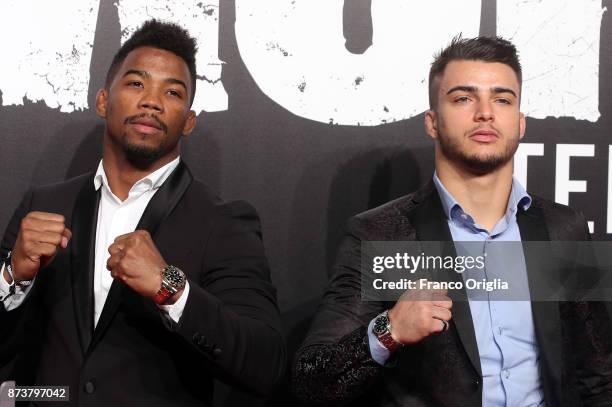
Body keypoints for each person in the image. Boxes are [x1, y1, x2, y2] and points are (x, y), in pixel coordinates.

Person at [293, 36, 611, 406]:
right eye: (463, 98)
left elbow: (599, 375)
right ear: (432, 122)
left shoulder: (563, 228)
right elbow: (311, 384)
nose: (485, 112)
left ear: (520, 123)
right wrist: (389, 330)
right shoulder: (382, 235)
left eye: (502, 99)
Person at [0, 20, 285, 406]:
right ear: (103, 101)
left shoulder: (224, 223)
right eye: (136, 83)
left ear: (189, 120)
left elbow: (264, 363)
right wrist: (12, 275)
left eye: (172, 91)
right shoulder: (44, 204)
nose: (152, 101)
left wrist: (171, 287)